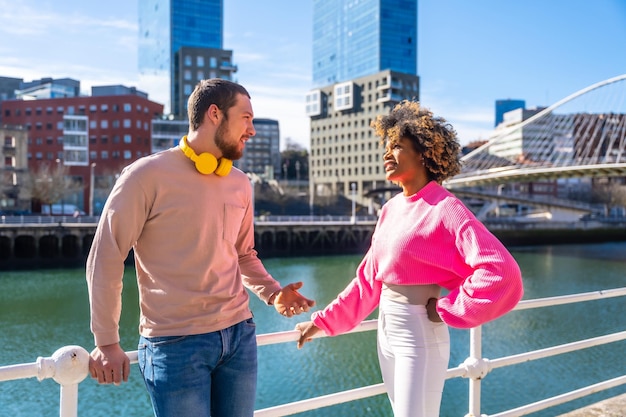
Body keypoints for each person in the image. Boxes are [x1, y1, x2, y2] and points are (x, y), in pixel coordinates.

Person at [86, 79, 315, 417]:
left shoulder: (240, 183)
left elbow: (242, 255)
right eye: (246, 118)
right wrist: (106, 341)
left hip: (239, 337)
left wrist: (273, 292)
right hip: (175, 345)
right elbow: (106, 257)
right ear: (214, 114)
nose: (251, 130)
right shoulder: (144, 176)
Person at [296, 100, 523, 417]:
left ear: (423, 154)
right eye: (386, 147)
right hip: (386, 331)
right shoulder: (389, 209)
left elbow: (501, 271)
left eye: (397, 146)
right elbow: (367, 281)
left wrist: (448, 308)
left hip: (420, 332)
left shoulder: (445, 207)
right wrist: (321, 322)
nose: (386, 155)